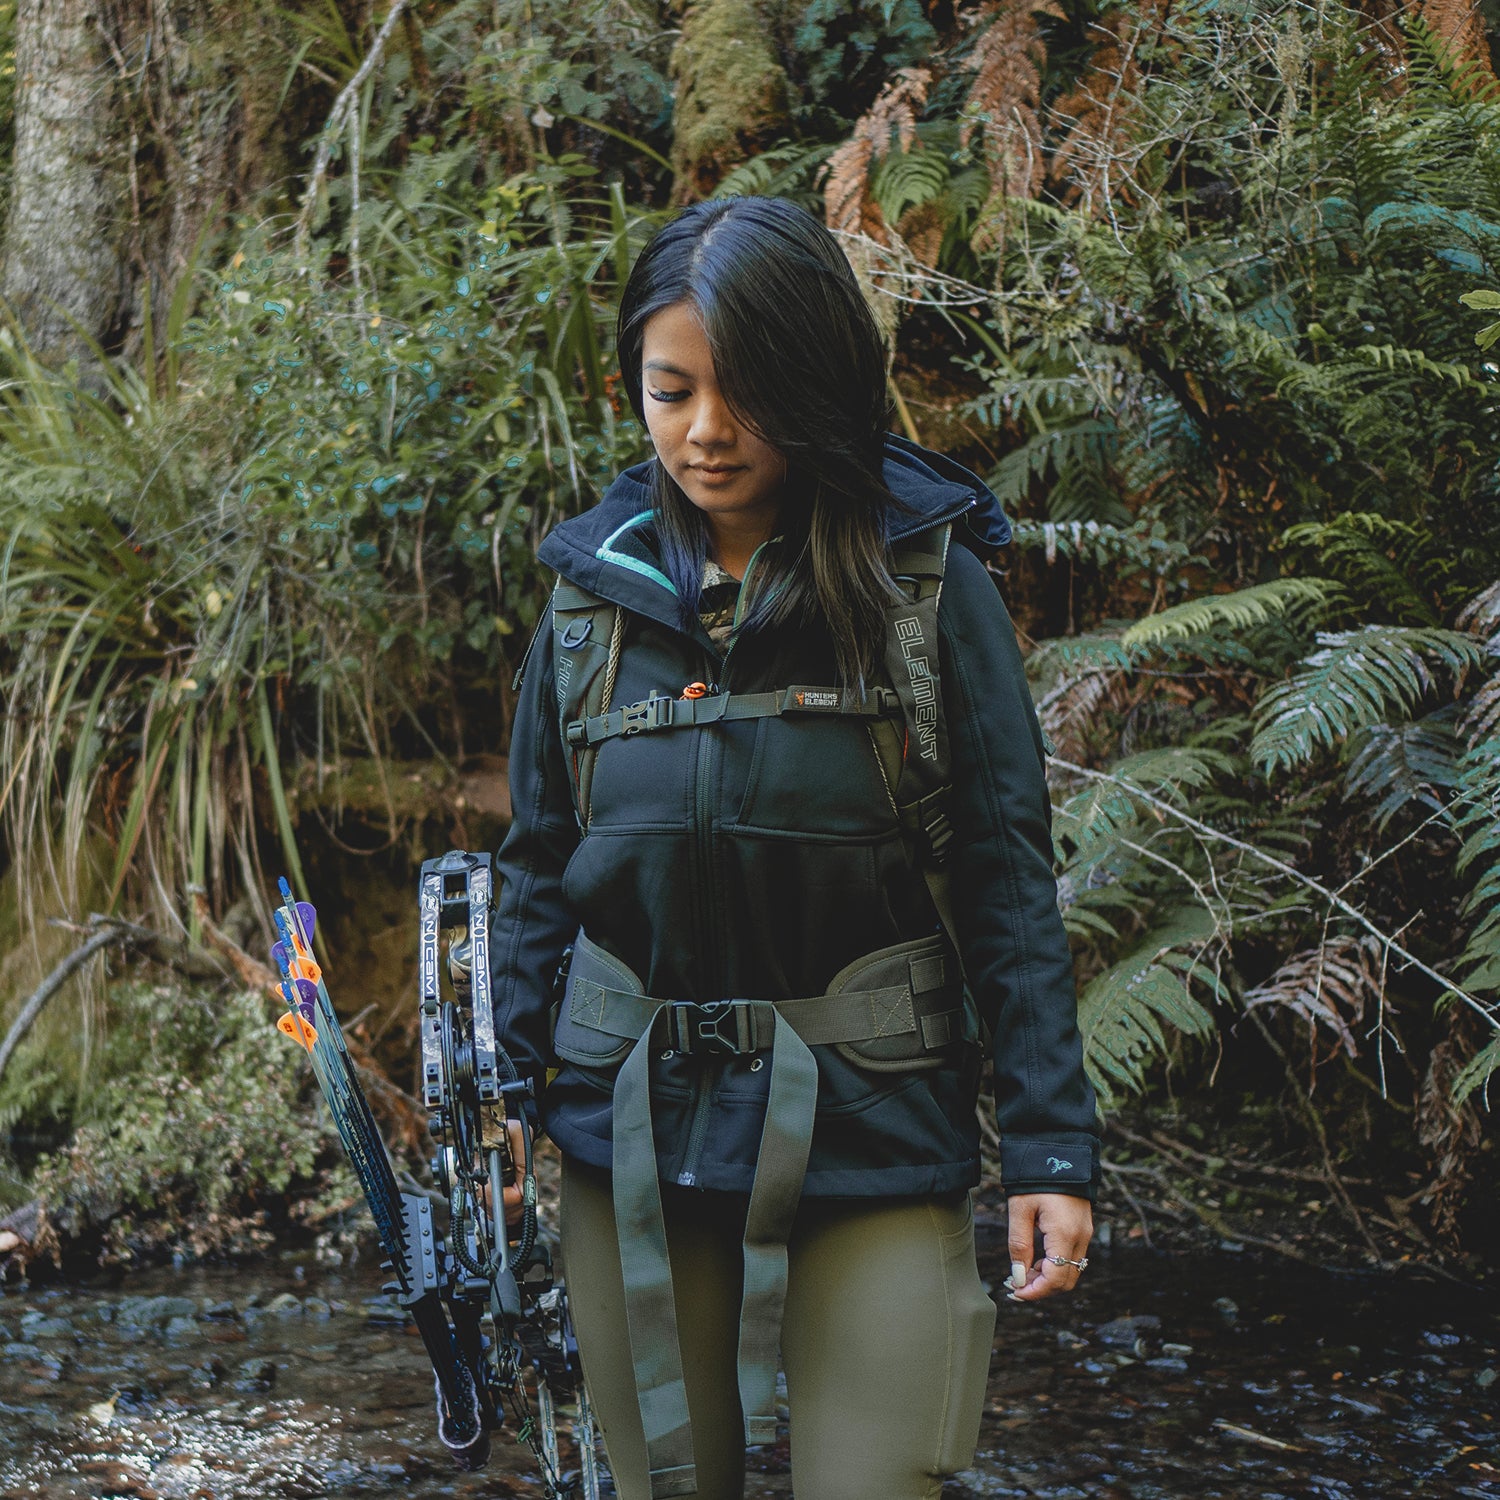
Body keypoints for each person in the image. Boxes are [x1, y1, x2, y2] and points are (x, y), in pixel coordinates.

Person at [490, 196, 1097, 1500]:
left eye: (747, 395)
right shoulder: (590, 595)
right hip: (630, 1139)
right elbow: (541, 861)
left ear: (819, 384)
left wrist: (1050, 1147)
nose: (705, 432)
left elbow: (1003, 870)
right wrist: (503, 1081)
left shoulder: (929, 587)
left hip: (873, 1126)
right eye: (670, 391)